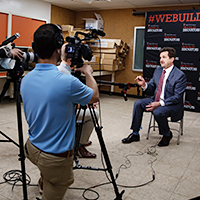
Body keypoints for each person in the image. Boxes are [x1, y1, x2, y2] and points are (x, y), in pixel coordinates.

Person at [20, 23, 99, 200]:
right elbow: (94, 97)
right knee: (55, 188)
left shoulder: (26, 80)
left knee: (48, 173)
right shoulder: (66, 82)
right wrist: (88, 73)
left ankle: (44, 180)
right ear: (58, 50)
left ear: (34, 48)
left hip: (32, 148)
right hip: (55, 159)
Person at [122, 47, 186, 147]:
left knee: (158, 111)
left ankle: (167, 134)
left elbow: (177, 97)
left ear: (172, 59)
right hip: (156, 100)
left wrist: (160, 103)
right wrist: (144, 85)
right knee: (138, 104)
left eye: (164, 57)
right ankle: (135, 133)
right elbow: (151, 88)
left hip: (171, 105)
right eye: (160, 57)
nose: (161, 60)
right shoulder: (158, 71)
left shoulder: (180, 75)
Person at [57, 42, 99, 158]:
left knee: (86, 109)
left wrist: (84, 103)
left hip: (54, 114)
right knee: (94, 114)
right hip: (62, 116)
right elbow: (94, 96)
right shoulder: (67, 76)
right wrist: (87, 73)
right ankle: (80, 143)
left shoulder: (57, 69)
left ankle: (78, 140)